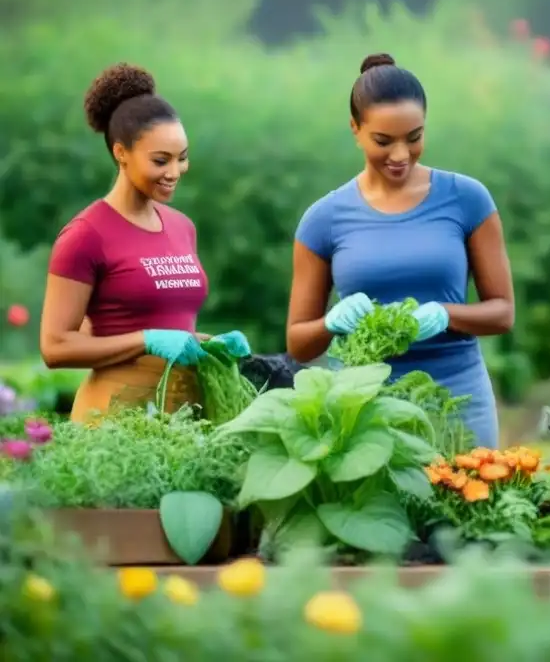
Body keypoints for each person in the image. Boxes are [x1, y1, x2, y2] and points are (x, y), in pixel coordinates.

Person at [286, 53, 515, 448]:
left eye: (415, 138)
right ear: (355, 129)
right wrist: (332, 322)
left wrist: (445, 314)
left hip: (456, 397)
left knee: (468, 504)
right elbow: (298, 343)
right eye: (383, 141)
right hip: (364, 406)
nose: (400, 155)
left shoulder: (467, 199)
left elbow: (502, 312)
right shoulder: (324, 219)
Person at [39, 63, 249, 423]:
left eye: (182, 158)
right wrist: (146, 340)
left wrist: (206, 343)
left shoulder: (182, 227)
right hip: (116, 423)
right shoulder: (86, 235)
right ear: (121, 153)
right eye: (160, 160)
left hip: (185, 415)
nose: (174, 172)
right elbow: (55, 346)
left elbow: (167, 323)